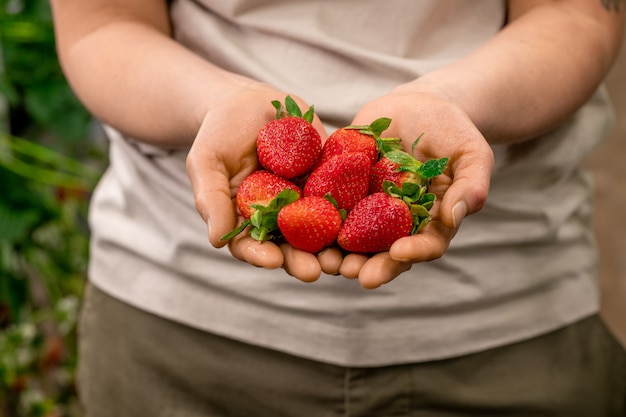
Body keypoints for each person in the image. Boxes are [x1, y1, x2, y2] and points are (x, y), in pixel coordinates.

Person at [50, 0, 626, 415]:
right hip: (177, 327)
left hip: (507, 326)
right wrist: (215, 103)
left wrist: (452, 102)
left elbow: (579, 12)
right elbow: (101, 22)